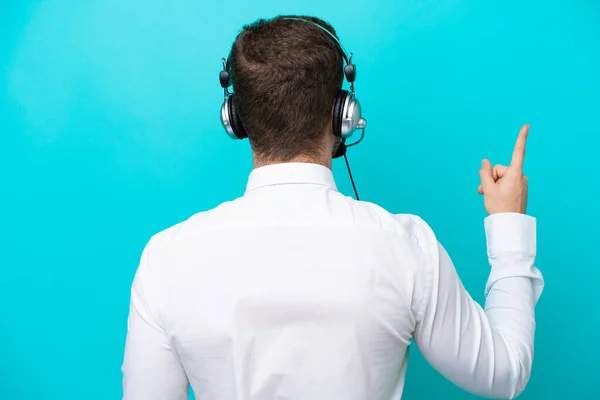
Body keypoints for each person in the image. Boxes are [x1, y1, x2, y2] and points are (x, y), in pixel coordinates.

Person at [122, 15, 544, 400]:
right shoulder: (406, 247)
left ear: (236, 117)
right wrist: (508, 224)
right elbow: (504, 372)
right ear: (343, 114)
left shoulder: (166, 259)